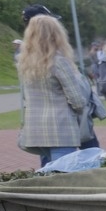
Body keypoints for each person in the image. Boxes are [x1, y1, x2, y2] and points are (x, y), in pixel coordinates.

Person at [15, 15, 86, 166]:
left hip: (36, 130)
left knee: (51, 173)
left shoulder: (25, 62)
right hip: (61, 130)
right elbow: (78, 100)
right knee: (66, 178)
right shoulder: (59, 61)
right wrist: (78, 111)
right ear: (56, 34)